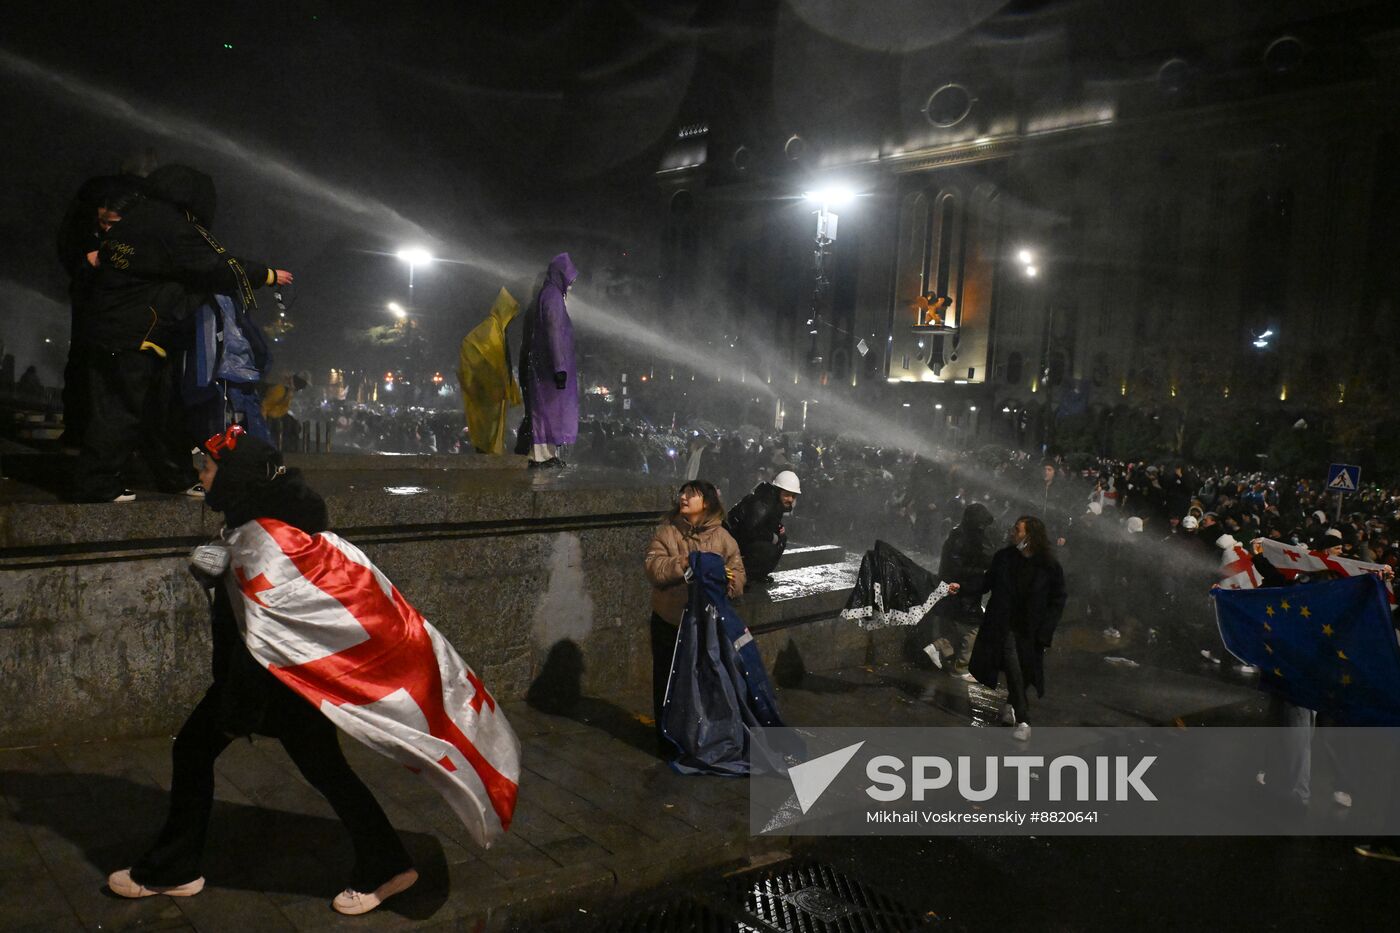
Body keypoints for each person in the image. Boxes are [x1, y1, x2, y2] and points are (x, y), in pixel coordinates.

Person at [107, 426, 417, 915]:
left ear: (236, 477)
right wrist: (223, 569)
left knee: (194, 751)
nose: (201, 481)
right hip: (282, 676)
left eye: (207, 471)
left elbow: (265, 629)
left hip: (268, 679)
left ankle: (174, 868)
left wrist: (238, 707)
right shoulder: (265, 518)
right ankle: (387, 861)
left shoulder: (266, 538)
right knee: (324, 768)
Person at [70, 166, 290, 502]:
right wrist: (267, 275)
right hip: (135, 334)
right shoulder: (171, 226)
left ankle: (172, 475)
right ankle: (96, 483)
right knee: (121, 408)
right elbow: (212, 265)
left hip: (122, 331)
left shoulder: (136, 220)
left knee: (155, 409)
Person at [644, 481, 746, 741]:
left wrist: (727, 580)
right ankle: (667, 737)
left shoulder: (724, 539)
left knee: (701, 684)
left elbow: (738, 577)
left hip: (705, 625)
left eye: (692, 494)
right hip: (670, 621)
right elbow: (654, 568)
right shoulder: (668, 533)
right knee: (667, 682)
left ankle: (698, 737)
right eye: (683, 493)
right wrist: (685, 563)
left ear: (708, 502)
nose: (684, 497)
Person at [968, 515, 1068, 741]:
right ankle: (1024, 719)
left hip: (1032, 628)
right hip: (1004, 624)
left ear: (1030, 536)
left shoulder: (1049, 566)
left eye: (1017, 530)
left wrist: (1046, 630)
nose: (1013, 533)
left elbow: (1058, 599)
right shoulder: (1004, 558)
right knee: (1012, 663)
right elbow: (986, 583)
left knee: (1026, 672)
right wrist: (960, 586)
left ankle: (1012, 705)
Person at [516, 253, 579, 468]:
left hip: (547, 367)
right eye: (570, 279)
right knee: (546, 412)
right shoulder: (552, 297)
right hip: (549, 369)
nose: (571, 284)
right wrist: (560, 367)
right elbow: (554, 332)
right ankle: (540, 455)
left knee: (550, 413)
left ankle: (547, 454)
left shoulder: (549, 295)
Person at [929, 502, 997, 679]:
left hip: (964, 591)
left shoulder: (966, 535)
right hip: (960, 591)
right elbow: (957, 567)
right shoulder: (961, 538)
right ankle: (960, 667)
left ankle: (938, 648)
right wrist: (981, 571)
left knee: (962, 627)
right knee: (973, 629)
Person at [458, 287, 522, 455]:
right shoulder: (491, 328)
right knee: (487, 432)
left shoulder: (498, 330)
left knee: (492, 432)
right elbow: (473, 346)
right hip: (488, 392)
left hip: (494, 392)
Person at [726, 470, 801, 581]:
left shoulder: (773, 502)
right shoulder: (763, 503)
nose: (790, 499)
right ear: (777, 491)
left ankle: (757, 574)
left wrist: (777, 529)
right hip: (733, 539)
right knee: (768, 548)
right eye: (786, 495)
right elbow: (748, 531)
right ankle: (741, 575)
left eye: (793, 496)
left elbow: (766, 523)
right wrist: (772, 537)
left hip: (740, 537)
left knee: (780, 540)